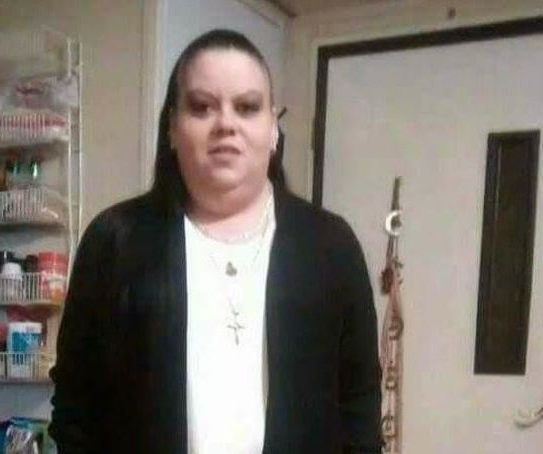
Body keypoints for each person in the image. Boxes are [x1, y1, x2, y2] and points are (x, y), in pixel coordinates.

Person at [48, 29, 382, 453]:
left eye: (247, 107)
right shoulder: (115, 242)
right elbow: (76, 411)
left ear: (273, 129)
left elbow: (359, 410)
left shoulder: (330, 247)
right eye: (202, 107)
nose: (226, 124)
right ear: (172, 127)